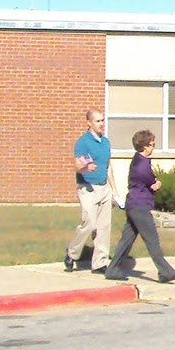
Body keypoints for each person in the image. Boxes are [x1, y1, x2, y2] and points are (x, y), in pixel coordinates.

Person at [103, 130, 175, 283]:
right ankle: (166, 271)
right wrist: (157, 183)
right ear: (145, 147)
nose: (154, 147)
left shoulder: (138, 160)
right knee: (152, 239)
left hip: (133, 204)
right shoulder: (142, 166)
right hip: (140, 206)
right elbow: (152, 184)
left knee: (126, 239)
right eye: (152, 144)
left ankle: (112, 269)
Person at [65, 108, 118, 273]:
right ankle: (72, 254)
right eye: (98, 121)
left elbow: (108, 166)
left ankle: (99, 263)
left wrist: (114, 190)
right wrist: (86, 168)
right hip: (87, 187)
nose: (101, 124)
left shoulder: (106, 142)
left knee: (103, 226)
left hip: (103, 187)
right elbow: (77, 166)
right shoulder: (83, 142)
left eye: (102, 121)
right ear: (89, 123)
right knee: (89, 222)